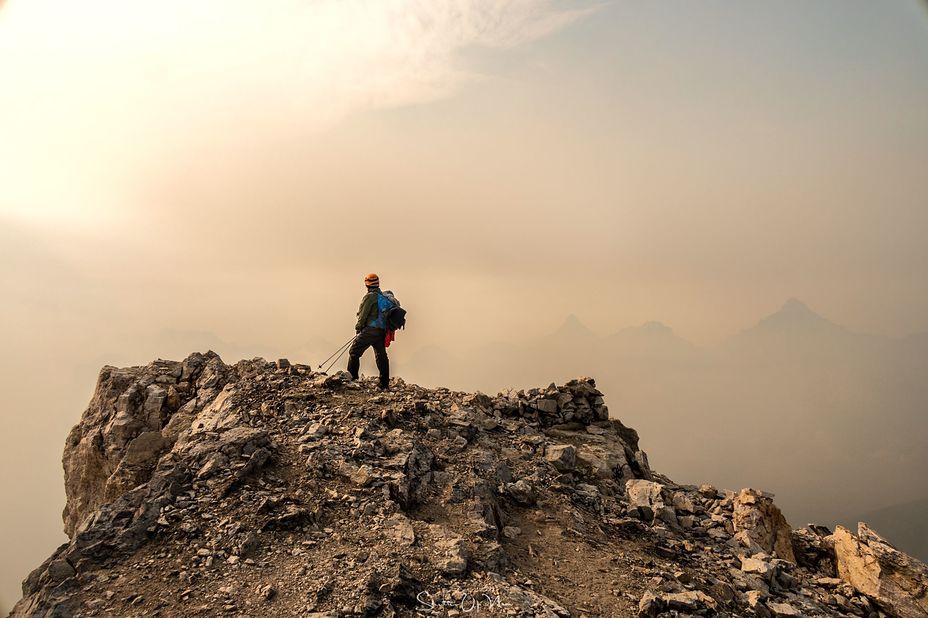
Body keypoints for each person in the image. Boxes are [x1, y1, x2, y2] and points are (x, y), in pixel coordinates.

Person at [347, 273, 390, 389]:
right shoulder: (382, 296)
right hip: (381, 330)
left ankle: (352, 379)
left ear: (367, 284)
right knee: (381, 355)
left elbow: (363, 314)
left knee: (354, 352)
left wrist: (358, 327)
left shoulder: (369, 297)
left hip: (370, 330)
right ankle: (384, 383)